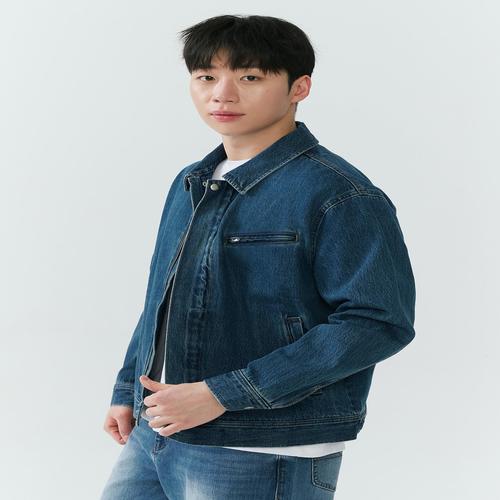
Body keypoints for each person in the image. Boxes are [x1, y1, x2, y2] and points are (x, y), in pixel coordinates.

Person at [100, 14, 416, 500]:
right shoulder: (192, 181)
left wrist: (222, 394)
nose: (222, 95)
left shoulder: (339, 194)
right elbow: (162, 297)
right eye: (206, 76)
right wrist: (129, 390)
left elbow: (377, 322)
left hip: (264, 447)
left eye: (249, 77)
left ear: (299, 87)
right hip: (156, 433)